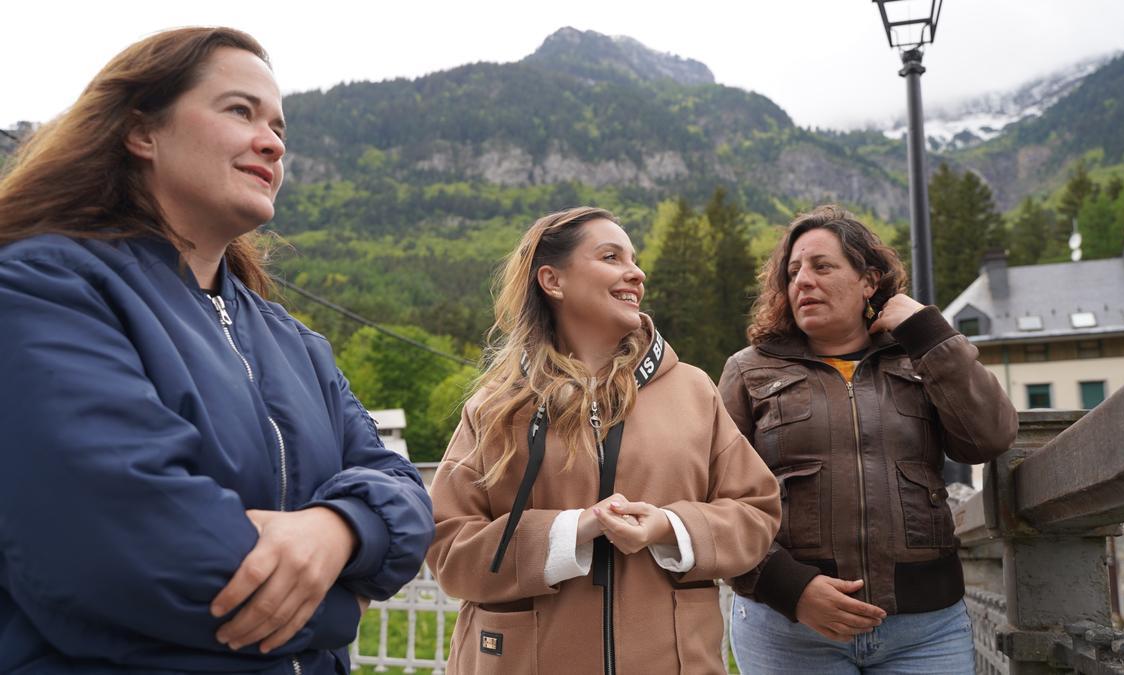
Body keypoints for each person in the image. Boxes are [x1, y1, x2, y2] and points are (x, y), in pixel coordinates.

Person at [0, 28, 434, 673]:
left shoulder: (296, 344)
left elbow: (403, 486)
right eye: (240, 111)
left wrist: (339, 529)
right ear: (142, 131)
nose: (273, 141)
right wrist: (343, 606)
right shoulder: (45, 287)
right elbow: (137, 556)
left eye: (279, 127)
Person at [428, 206, 780, 673]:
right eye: (611, 257)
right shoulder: (495, 406)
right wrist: (569, 532)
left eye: (633, 259)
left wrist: (669, 528)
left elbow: (756, 512)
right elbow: (448, 549)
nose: (636, 273)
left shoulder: (694, 391)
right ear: (553, 281)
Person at [719, 205, 1018, 673]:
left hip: (926, 630)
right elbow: (716, 496)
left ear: (869, 281)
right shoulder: (749, 369)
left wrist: (928, 333)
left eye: (822, 266)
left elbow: (989, 437)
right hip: (790, 627)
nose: (803, 280)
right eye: (793, 271)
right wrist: (789, 587)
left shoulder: (918, 355)